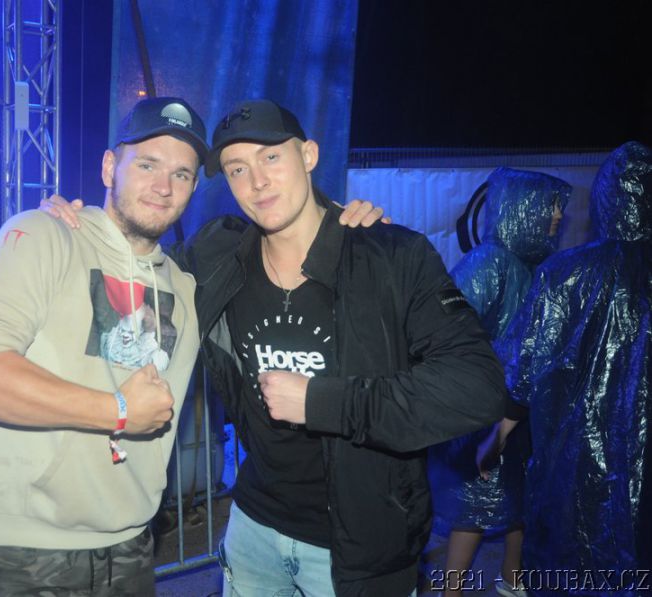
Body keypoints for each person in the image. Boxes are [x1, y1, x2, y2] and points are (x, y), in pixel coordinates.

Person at [48, 99, 507, 596]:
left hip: (361, 548)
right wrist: (83, 230)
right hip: (254, 530)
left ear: (308, 155)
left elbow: (477, 388)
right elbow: (134, 273)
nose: (258, 181)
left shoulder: (391, 257)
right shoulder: (217, 259)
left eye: (271, 157)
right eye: (237, 169)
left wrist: (322, 402)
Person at [0, 96, 387, 596]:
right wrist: (117, 411)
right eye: (148, 165)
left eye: (181, 174)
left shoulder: (184, 283)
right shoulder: (44, 236)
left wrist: (341, 223)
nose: (163, 186)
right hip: (27, 553)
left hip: (134, 546)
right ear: (110, 166)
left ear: (194, 188)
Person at [481, 141, 651, 596]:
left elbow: (523, 373)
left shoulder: (564, 273)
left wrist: (495, 438)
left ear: (604, 199)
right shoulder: (558, 272)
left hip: (572, 470)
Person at [429, 168, 570, 597]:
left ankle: (512, 577)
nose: (558, 215)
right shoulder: (489, 262)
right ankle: (451, 590)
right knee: (475, 506)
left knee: (519, 498)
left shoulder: (537, 266)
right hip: (486, 408)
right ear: (521, 208)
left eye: (560, 206)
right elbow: (448, 332)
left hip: (521, 405)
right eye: (550, 206)